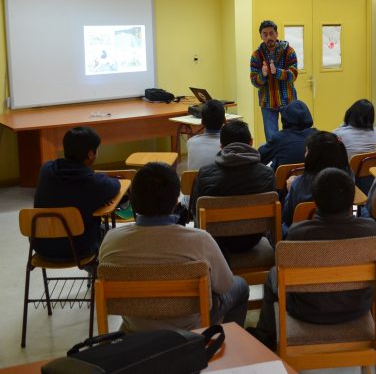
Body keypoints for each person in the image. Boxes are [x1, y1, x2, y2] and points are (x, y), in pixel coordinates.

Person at [99, 162, 249, 332]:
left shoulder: (111, 241)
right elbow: (224, 286)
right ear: (175, 200)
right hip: (191, 334)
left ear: (133, 199)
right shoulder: (200, 240)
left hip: (135, 333)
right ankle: (229, 346)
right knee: (240, 286)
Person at [248, 168, 376, 351]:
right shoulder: (370, 230)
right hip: (357, 307)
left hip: (306, 310)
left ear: (315, 201)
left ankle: (266, 336)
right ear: (352, 199)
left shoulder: (298, 233)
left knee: (273, 275)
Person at [33, 126, 120, 261]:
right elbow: (116, 185)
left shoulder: (46, 169)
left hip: (41, 245)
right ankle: (98, 274)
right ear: (91, 154)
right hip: (77, 249)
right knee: (110, 232)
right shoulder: (94, 183)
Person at [189, 120, 275, 254]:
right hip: (252, 240)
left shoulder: (205, 174)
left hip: (215, 244)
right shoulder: (267, 174)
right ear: (251, 142)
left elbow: (195, 212)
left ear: (221, 146)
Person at [281, 131, 351, 231]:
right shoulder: (349, 177)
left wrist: (289, 191)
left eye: (306, 151)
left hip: (306, 237)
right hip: (344, 233)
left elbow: (287, 218)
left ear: (313, 157)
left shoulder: (299, 184)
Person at [250, 20, 299, 142]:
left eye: (271, 33)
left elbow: (293, 75)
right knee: (272, 139)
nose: (268, 37)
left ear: (276, 34)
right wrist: (264, 74)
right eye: (265, 34)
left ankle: (291, 160)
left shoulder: (289, 51)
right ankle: (275, 160)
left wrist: (277, 72)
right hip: (267, 102)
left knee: (293, 135)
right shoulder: (256, 55)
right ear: (261, 36)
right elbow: (254, 81)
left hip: (287, 100)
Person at [258, 99, 316, 171]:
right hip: (315, 181)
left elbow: (259, 158)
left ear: (286, 116)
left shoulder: (280, 138)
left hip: (284, 181)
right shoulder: (319, 136)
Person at [186, 99, 226, 171]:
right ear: (225, 120)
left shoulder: (191, 142)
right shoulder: (228, 146)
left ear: (202, 121)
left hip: (194, 181)